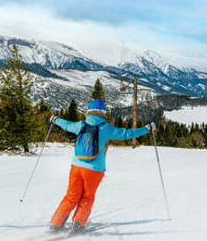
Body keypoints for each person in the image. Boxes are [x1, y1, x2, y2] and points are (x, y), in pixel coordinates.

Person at [48, 99, 155, 233]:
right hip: (94, 170)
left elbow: (66, 124)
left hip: (76, 167)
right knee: (87, 196)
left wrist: (55, 119)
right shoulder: (106, 128)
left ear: (89, 111)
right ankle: (78, 224)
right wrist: (146, 129)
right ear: (103, 113)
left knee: (71, 196)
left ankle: (56, 223)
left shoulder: (80, 125)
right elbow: (127, 134)